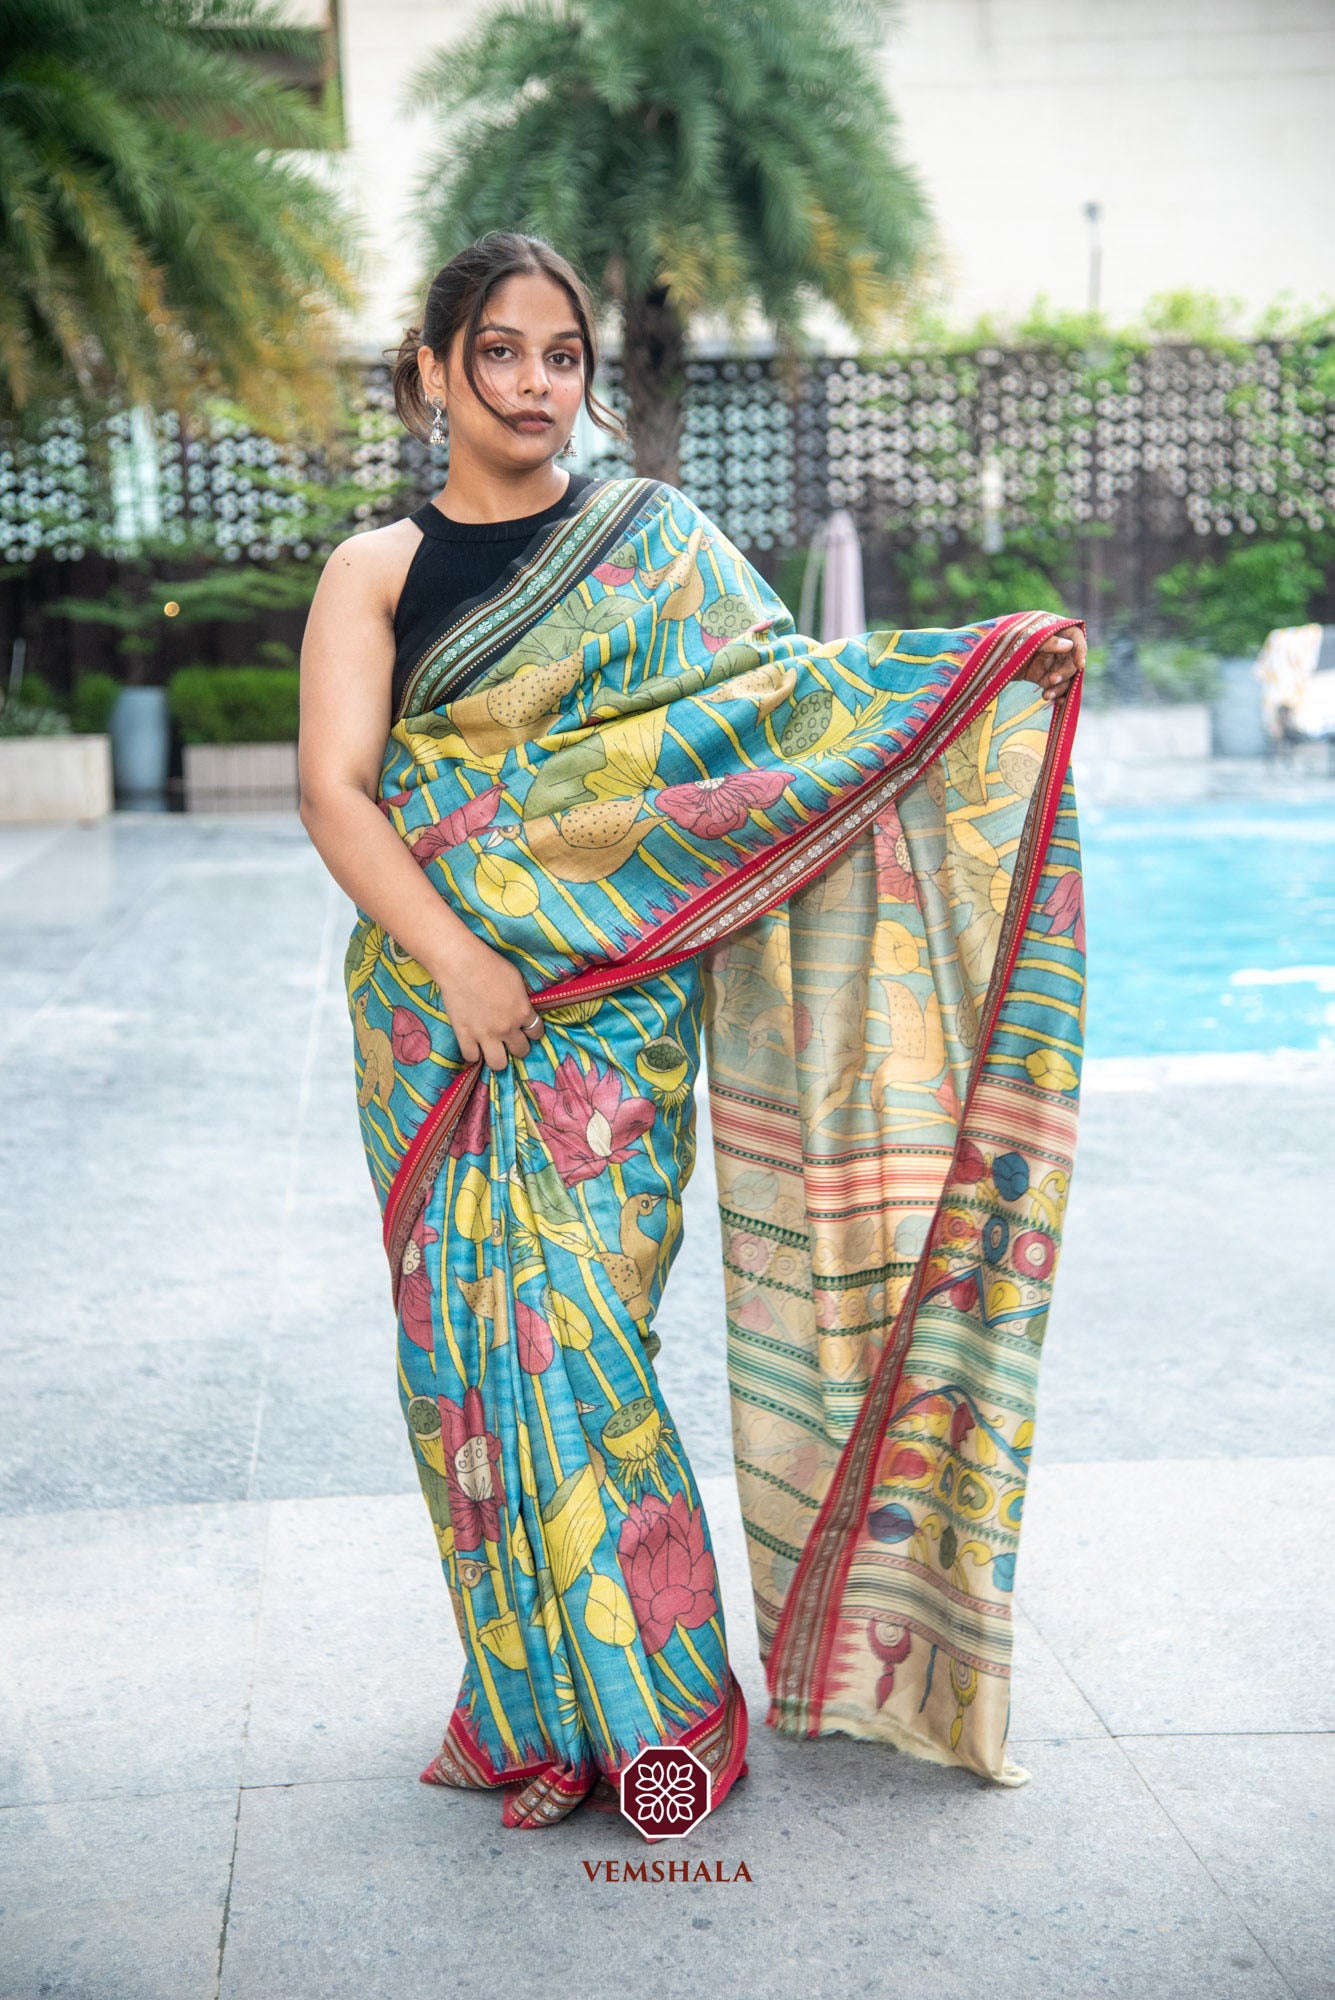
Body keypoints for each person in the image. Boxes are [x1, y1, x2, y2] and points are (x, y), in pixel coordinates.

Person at [298, 230, 1087, 1837]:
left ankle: (659, 1714)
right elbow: (337, 789)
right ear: (431, 370)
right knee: (464, 1368)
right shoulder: (372, 571)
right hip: (441, 1024)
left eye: (563, 356)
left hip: (612, 1020)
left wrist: (976, 677)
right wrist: (460, 961)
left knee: (585, 1339)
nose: (535, 384)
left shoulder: (655, 540)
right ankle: (532, 1720)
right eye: (500, 351)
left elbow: (782, 716)